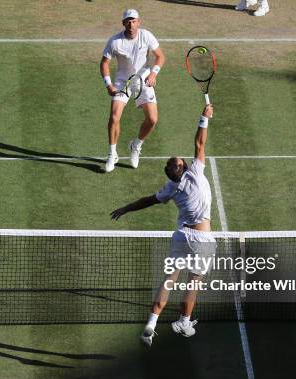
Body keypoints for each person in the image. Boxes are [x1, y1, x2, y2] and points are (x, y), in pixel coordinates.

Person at [110, 103, 215, 347]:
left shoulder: (170, 189)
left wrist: (126, 208)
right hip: (202, 239)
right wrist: (204, 117)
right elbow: (199, 143)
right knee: (194, 282)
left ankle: (152, 322)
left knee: (169, 279)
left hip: (180, 237)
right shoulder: (196, 173)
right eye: (179, 161)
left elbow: (148, 200)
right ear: (183, 168)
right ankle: (184, 321)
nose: (180, 159)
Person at [100, 9, 166, 172]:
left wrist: (153, 73)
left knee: (152, 119)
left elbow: (160, 56)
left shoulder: (147, 36)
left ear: (139, 22)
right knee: (114, 117)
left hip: (144, 79)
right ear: (123, 23)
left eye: (134, 21)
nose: (131, 24)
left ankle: (136, 146)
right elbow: (104, 63)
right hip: (123, 82)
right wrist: (109, 84)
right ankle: (112, 154)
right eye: (128, 21)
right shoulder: (115, 41)